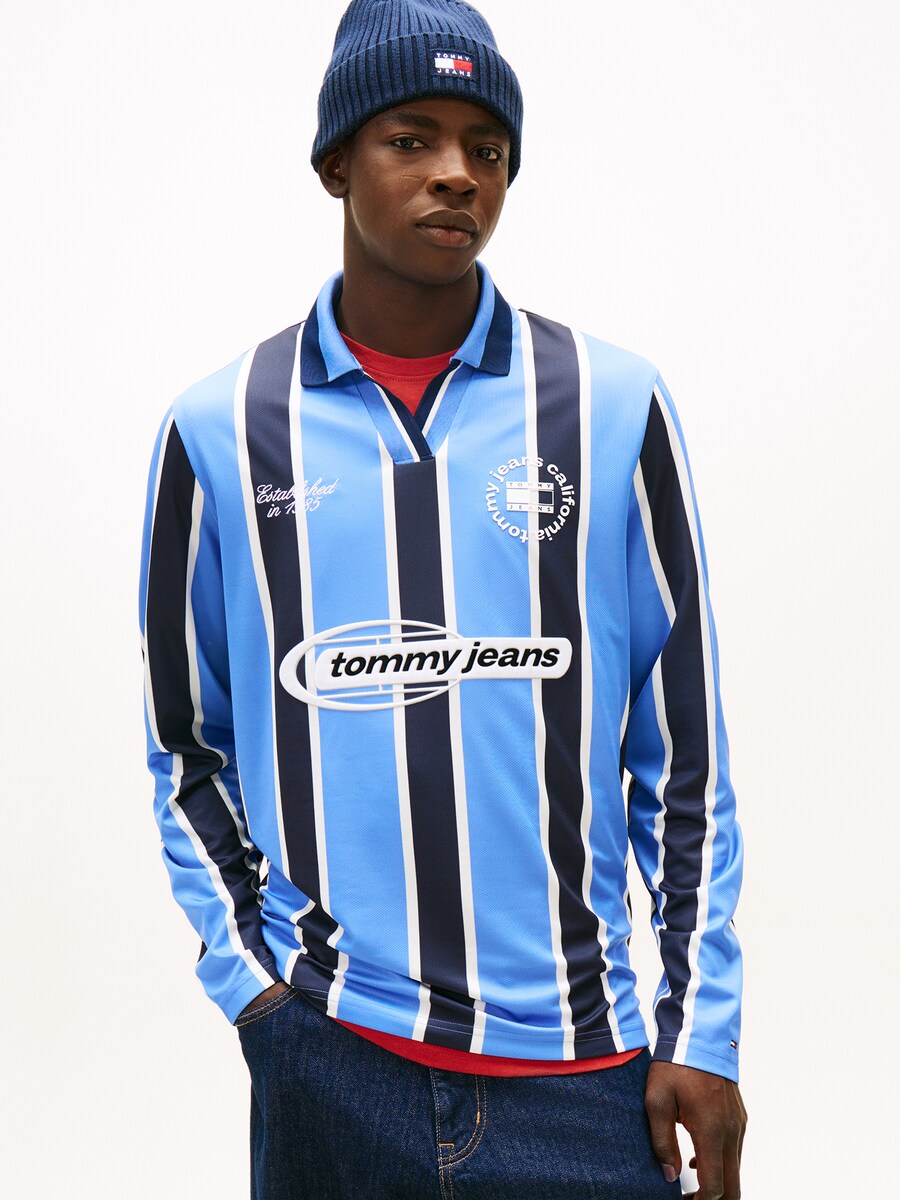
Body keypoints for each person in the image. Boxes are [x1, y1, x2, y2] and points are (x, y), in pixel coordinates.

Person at [140, 2, 747, 1196]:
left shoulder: (612, 406)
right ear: (335, 162)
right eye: (410, 139)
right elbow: (185, 747)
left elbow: (685, 760)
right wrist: (256, 990)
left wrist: (701, 1029)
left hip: (584, 1073)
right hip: (334, 1057)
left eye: (487, 147)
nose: (457, 174)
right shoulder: (219, 431)